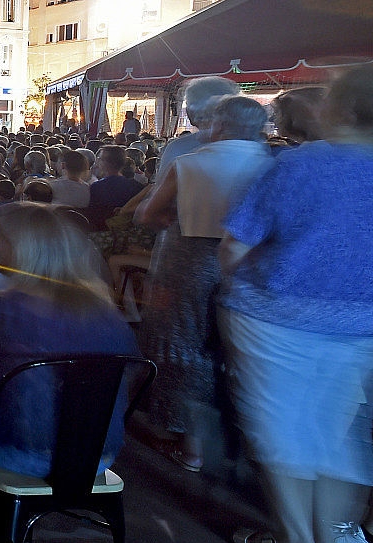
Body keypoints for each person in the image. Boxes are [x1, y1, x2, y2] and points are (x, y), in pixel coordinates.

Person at [218, 67, 373, 543]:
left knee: (283, 431)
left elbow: (235, 245)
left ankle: (297, 536)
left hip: (276, 316)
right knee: (339, 435)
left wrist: (232, 287)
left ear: (343, 109)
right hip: (367, 324)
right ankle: (337, 533)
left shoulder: (300, 165)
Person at [0, 204, 138, 493]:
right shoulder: (110, 315)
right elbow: (129, 376)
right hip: (97, 455)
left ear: (18, 252)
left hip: (13, 450)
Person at [135, 96, 272, 474]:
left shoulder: (191, 162)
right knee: (238, 347)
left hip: (188, 260)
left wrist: (170, 218)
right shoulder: (271, 163)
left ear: (220, 124)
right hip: (250, 263)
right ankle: (242, 443)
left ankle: (190, 444)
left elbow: (147, 214)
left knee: (185, 343)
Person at [87, 145, 144, 227]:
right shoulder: (136, 186)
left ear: (108, 163)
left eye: (100, 159)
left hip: (104, 232)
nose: (98, 161)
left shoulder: (97, 187)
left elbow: (94, 216)